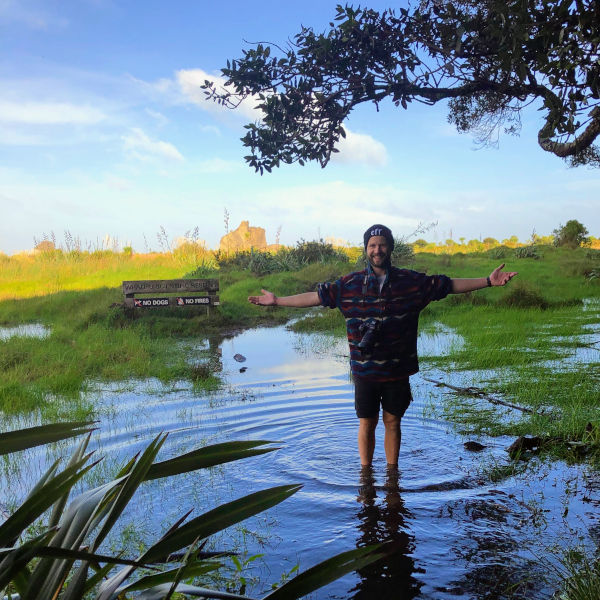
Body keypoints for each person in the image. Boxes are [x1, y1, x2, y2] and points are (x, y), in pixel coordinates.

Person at [248, 224, 517, 467]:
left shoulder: (410, 283)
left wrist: (487, 281)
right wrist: (278, 300)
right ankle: (365, 474)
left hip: (397, 369)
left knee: (392, 422)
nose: (377, 250)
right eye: (372, 245)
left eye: (382, 244)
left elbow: (446, 285)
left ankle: (392, 473)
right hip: (365, 370)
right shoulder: (349, 285)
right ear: (366, 249)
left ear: (390, 248)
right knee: (366, 422)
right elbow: (315, 298)